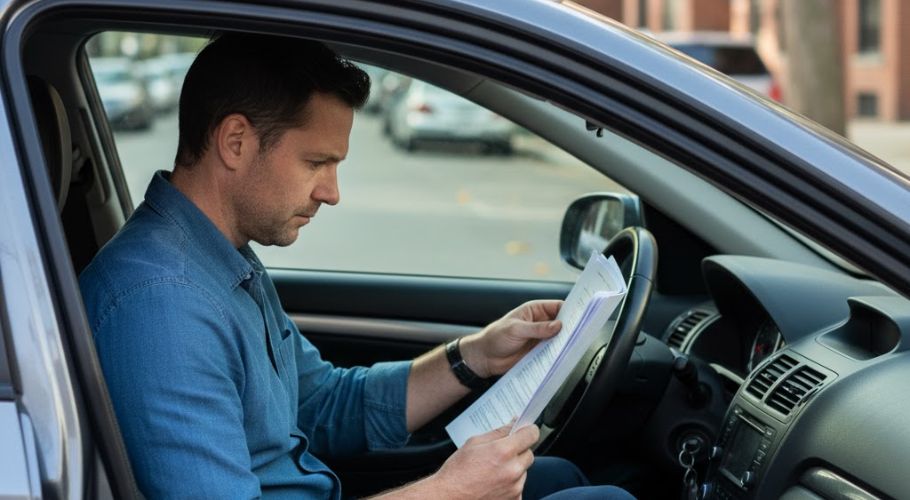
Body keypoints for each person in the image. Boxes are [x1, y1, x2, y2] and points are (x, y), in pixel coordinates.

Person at [79, 33, 634, 499]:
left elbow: (321, 405)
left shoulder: (221, 258)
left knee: (562, 478)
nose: (332, 192)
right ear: (236, 141)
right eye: (316, 162)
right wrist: (447, 492)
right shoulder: (163, 303)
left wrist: (475, 356)